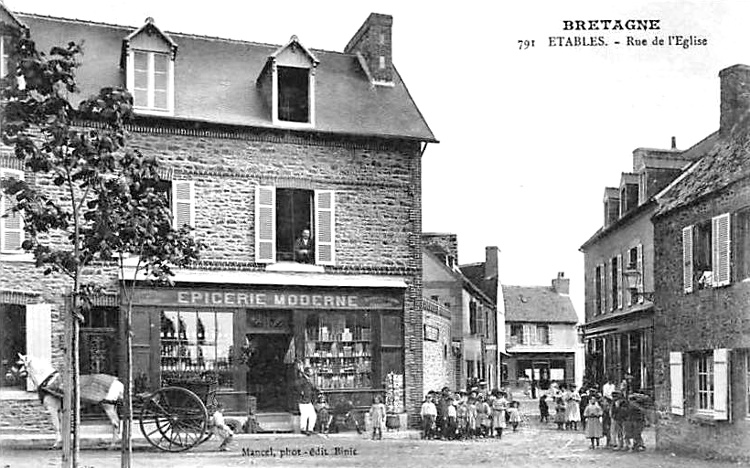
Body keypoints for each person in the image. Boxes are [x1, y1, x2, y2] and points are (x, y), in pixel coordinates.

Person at [295, 363, 318, 435]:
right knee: (305, 415)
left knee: (312, 415)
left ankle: (310, 429)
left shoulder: (308, 380)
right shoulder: (303, 380)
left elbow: (313, 387)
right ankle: (303, 429)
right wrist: (301, 393)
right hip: (303, 401)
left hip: (308, 400)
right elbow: (297, 386)